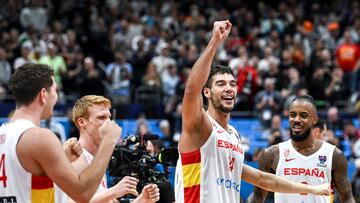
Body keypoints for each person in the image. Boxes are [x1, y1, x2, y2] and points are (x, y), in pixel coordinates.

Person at [175, 20, 331, 203]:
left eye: (232, 84)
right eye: (221, 84)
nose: (229, 88)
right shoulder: (200, 125)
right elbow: (192, 90)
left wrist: (312, 189)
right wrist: (215, 42)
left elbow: (262, 179)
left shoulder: (233, 135)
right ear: (207, 92)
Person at [0, 63, 122, 202]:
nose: (57, 97)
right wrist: (108, 141)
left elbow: (25, 175)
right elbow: (83, 194)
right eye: (55, 90)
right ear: (43, 95)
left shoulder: (4, 132)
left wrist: (63, 156)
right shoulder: (40, 137)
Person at [247, 95, 355, 203]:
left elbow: (347, 198)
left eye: (303, 115)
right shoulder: (272, 154)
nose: (296, 120)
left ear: (314, 119)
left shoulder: (334, 155)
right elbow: (257, 196)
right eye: (293, 115)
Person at [69, 95, 160, 203]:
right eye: (101, 117)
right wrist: (114, 191)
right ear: (82, 122)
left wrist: (141, 200)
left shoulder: (96, 159)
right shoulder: (76, 156)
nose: (109, 123)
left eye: (109, 117)